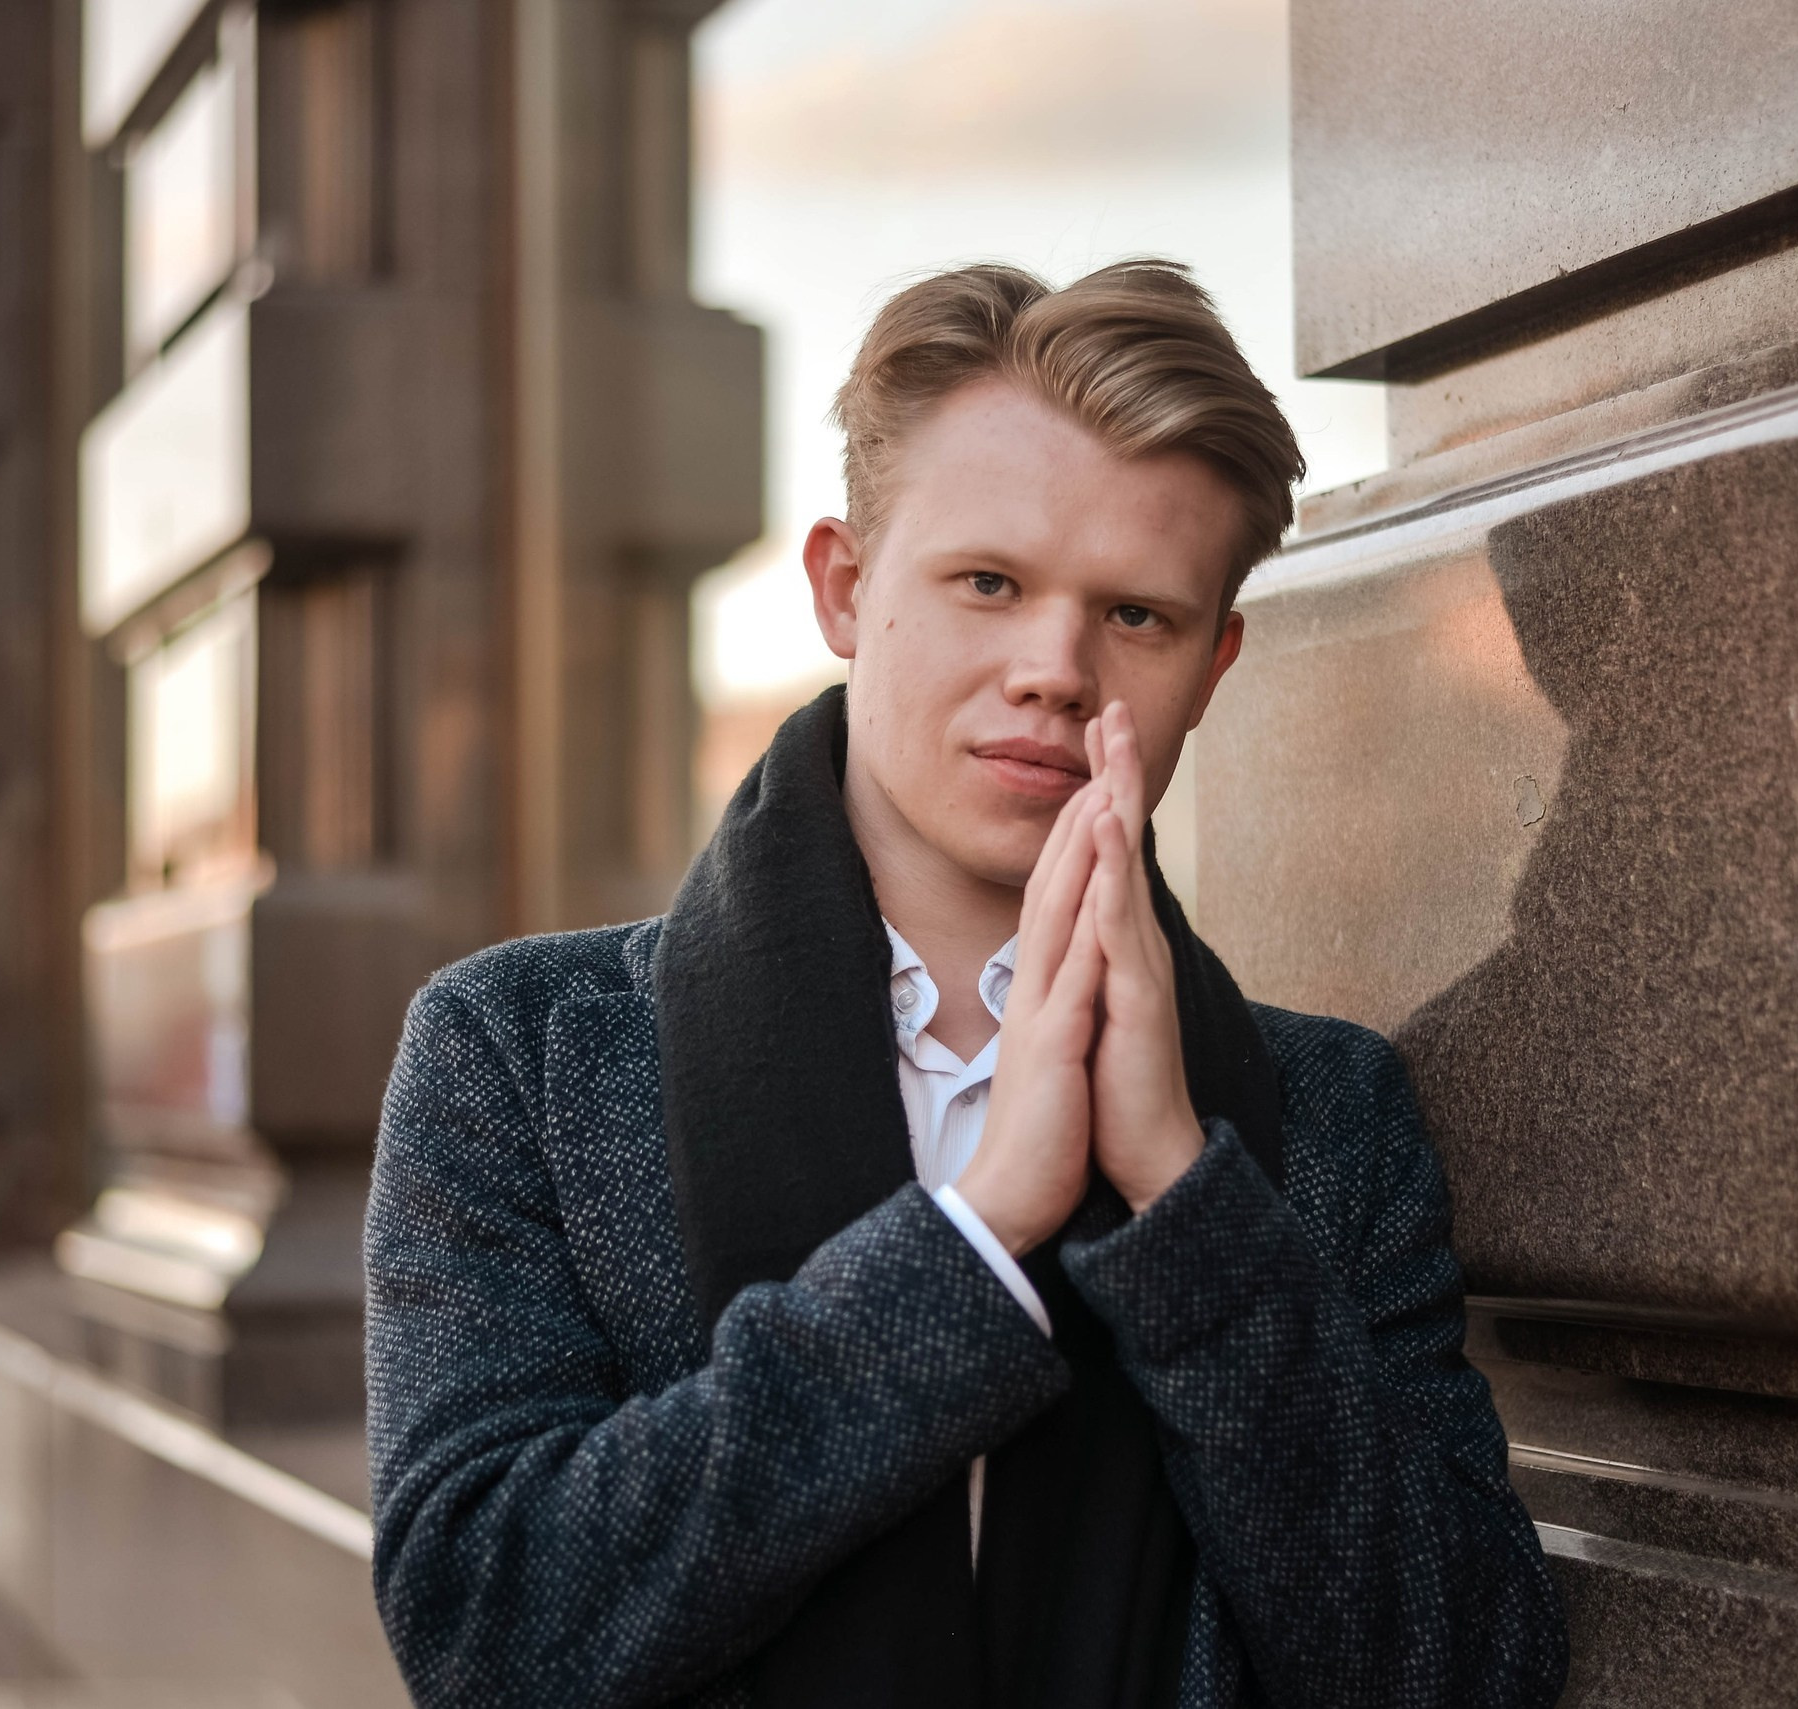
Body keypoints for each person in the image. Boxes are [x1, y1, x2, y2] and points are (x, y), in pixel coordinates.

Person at [363, 260, 1568, 1708]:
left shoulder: (1335, 1114)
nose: (1055, 667)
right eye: (989, 582)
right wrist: (978, 1238)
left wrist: (1186, 1202)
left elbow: (1469, 1672)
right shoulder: (521, 1052)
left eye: (1137, 614)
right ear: (846, 586)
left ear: (1213, 664)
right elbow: (485, 1627)